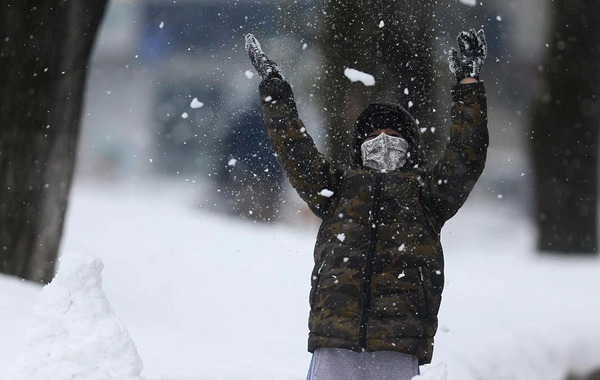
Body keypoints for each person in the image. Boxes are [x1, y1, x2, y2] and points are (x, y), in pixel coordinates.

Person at [245, 29, 488, 380]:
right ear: (359, 148)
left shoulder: (428, 196)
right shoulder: (336, 188)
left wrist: (468, 84)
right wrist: (274, 90)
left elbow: (467, 155)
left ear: (410, 146)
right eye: (372, 136)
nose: (382, 142)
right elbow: (295, 150)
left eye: (393, 135)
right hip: (335, 341)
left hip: (398, 344)